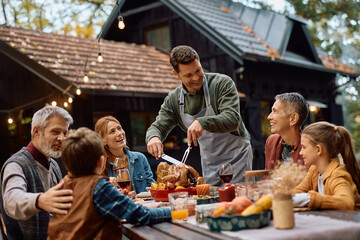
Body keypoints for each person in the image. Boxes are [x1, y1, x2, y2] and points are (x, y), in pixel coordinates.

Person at [146, 45, 252, 186]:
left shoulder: (221, 83)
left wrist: (202, 122)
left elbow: (232, 118)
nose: (196, 77)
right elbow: (158, 126)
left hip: (236, 158)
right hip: (209, 163)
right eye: (189, 75)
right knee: (211, 203)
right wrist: (153, 137)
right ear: (176, 74)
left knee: (237, 203)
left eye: (198, 70)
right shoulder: (173, 99)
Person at [47, 127, 171, 239]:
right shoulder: (98, 186)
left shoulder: (63, 185)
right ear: (101, 161)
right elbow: (141, 216)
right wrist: (175, 210)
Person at [0, 105, 74, 240]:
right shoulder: (15, 165)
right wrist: (40, 200)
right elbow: (11, 200)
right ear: (36, 131)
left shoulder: (53, 164)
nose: (62, 138)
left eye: (64, 133)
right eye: (55, 132)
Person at [292, 122, 360, 210]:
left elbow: (347, 202)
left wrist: (310, 199)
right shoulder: (314, 170)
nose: (301, 153)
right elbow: (297, 192)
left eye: (304, 147)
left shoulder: (338, 174)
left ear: (318, 149)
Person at [95, 115, 155, 194]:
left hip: (143, 205)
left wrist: (139, 195)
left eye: (119, 128)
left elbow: (153, 188)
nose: (119, 133)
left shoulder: (140, 158)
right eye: (112, 131)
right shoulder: (100, 165)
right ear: (103, 140)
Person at [265, 92, 309, 170]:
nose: (269, 117)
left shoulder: (309, 147)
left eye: (275, 111)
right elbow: (267, 176)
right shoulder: (271, 141)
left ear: (293, 118)